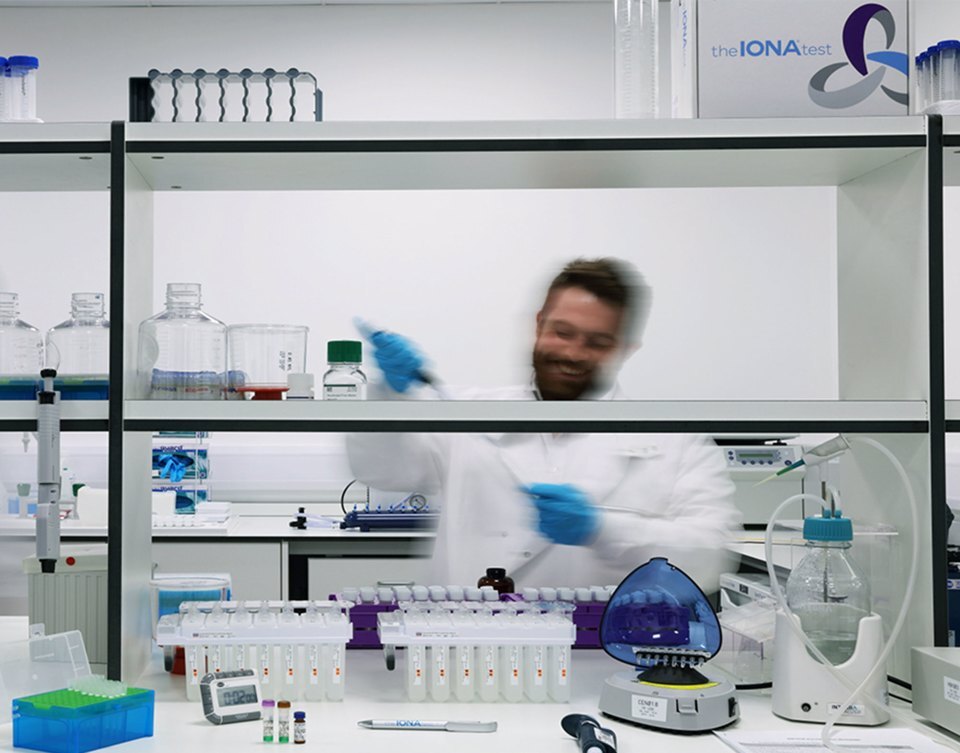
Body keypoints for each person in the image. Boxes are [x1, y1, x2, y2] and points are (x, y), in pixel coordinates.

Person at [345, 258, 740, 592]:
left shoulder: (675, 441)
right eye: (562, 333)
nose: (573, 353)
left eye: (597, 342)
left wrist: (602, 528)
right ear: (539, 324)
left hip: (605, 661)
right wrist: (388, 397)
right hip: (466, 649)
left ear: (624, 348)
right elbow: (382, 470)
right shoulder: (466, 412)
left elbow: (711, 558)